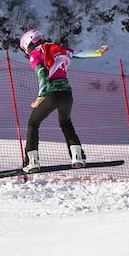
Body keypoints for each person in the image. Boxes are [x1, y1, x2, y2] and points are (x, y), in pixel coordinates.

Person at [19, 29, 109, 172]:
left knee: (33, 124)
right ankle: (77, 157)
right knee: (66, 123)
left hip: (50, 94)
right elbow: (78, 54)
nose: (27, 53)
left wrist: (41, 95)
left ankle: (32, 162)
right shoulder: (58, 49)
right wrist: (98, 52)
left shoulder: (36, 53)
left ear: (29, 43)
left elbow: (42, 72)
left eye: (25, 49)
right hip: (67, 94)